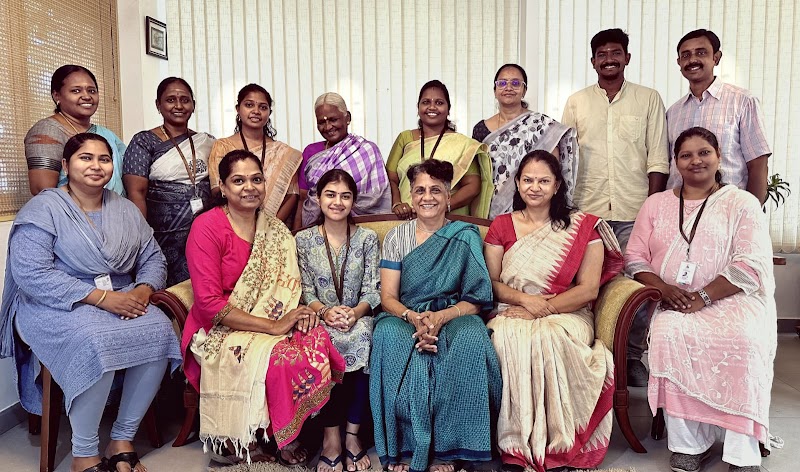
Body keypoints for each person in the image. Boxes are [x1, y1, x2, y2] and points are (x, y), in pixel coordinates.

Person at [0, 133, 182, 472]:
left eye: (104, 159)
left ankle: (122, 438)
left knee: (159, 329)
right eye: (86, 158)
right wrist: (100, 298)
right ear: (66, 165)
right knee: (95, 340)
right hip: (55, 304)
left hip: (121, 297)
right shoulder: (44, 208)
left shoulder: (124, 209)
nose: (96, 166)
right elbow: (32, 274)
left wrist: (143, 290)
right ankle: (84, 454)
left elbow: (152, 257)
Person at [625, 127, 776, 472]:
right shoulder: (656, 204)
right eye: (686, 155)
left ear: (719, 156)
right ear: (676, 162)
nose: (696, 160)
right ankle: (689, 444)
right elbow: (634, 258)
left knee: (745, 339)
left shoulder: (742, 203)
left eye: (704, 152)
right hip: (673, 299)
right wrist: (663, 289)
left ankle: (741, 449)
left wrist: (704, 296)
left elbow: (751, 263)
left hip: (733, 299)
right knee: (668, 333)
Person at [183, 150, 345, 466]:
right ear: (223, 187)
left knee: (316, 341)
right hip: (219, 324)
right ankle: (251, 434)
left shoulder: (276, 230)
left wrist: (298, 314)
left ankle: (282, 432)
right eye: (238, 180)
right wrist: (273, 326)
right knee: (279, 359)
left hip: (272, 315)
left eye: (256, 179)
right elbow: (208, 304)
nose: (249, 187)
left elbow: (286, 286)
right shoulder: (207, 227)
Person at [484, 150, 623, 472]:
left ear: (557, 185)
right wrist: (524, 301)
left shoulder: (583, 227)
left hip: (568, 311)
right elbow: (489, 282)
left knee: (549, 337)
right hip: (513, 307)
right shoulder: (502, 225)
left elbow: (588, 290)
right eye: (528, 180)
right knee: (506, 337)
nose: (535, 187)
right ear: (517, 184)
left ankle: (558, 443)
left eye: (544, 180)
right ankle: (515, 446)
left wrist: (540, 309)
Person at [371, 159, 500, 472]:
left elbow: (477, 298)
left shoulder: (465, 236)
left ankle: (452, 448)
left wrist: (441, 317)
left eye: (435, 190)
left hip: (454, 313)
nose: (426, 197)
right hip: (405, 315)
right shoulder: (396, 238)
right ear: (411, 196)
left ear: (448, 197)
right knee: (386, 335)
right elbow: (388, 298)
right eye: (419, 190)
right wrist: (414, 318)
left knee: (471, 335)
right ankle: (405, 447)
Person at [561, 28, 670, 386]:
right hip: (587, 212)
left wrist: (651, 209)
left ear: (627, 57)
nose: (609, 59)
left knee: (637, 285)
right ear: (593, 61)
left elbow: (657, 158)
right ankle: (593, 354)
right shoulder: (577, 102)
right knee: (587, 286)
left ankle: (632, 355)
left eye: (616, 52)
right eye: (602, 54)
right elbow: (564, 160)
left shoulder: (648, 99)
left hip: (634, 210)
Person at [295, 169, 380, 472]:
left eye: (345, 196)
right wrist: (325, 312)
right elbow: (304, 289)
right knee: (320, 343)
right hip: (319, 317)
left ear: (354, 200)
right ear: (317, 198)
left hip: (359, 316)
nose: (338, 202)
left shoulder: (367, 238)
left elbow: (374, 287)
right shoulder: (303, 239)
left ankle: (353, 437)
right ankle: (331, 438)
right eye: (330, 194)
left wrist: (356, 312)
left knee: (365, 338)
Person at [122, 77, 215, 286]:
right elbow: (136, 192)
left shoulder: (207, 141)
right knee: (167, 289)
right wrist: (143, 238)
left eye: (185, 100)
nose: (179, 105)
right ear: (158, 105)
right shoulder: (143, 141)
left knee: (205, 284)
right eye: (171, 100)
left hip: (204, 230)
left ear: (193, 104)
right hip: (163, 234)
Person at [666, 29, 771, 204]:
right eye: (686, 55)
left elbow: (758, 164)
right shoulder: (673, 112)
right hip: (679, 211)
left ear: (716, 57)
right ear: (679, 62)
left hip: (728, 208)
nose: (692, 60)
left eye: (701, 53)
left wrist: (751, 213)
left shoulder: (743, 102)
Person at [473, 63, 578, 219]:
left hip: (534, 204)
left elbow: (552, 167)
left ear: (524, 90)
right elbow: (478, 173)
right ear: (495, 91)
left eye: (515, 83)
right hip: (491, 206)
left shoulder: (541, 125)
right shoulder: (481, 129)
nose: (508, 87)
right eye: (502, 83)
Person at [387, 80, 493, 219]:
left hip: (449, 220)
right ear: (418, 107)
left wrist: (444, 206)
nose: (432, 107)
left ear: (448, 109)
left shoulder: (463, 144)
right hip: (408, 216)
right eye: (426, 102)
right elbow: (391, 179)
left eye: (439, 103)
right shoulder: (405, 138)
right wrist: (397, 204)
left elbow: (472, 185)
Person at [25, 64, 126, 196]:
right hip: (68, 214)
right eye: (76, 91)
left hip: (114, 210)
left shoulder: (107, 135)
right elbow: (42, 191)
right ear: (57, 96)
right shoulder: (47, 131)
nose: (86, 96)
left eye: (92, 91)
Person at [295, 92, 391, 229]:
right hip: (316, 230)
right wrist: (298, 233)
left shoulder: (367, 150)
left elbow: (378, 196)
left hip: (361, 230)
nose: (328, 127)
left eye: (333, 120)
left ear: (348, 118)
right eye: (321, 122)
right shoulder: (311, 151)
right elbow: (303, 199)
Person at [208, 83, 301, 225]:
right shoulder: (222, 146)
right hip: (233, 224)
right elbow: (217, 190)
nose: (256, 111)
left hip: (273, 229)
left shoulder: (286, 153)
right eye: (249, 105)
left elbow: (292, 195)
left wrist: (269, 227)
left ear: (269, 112)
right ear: (238, 109)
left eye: (263, 107)